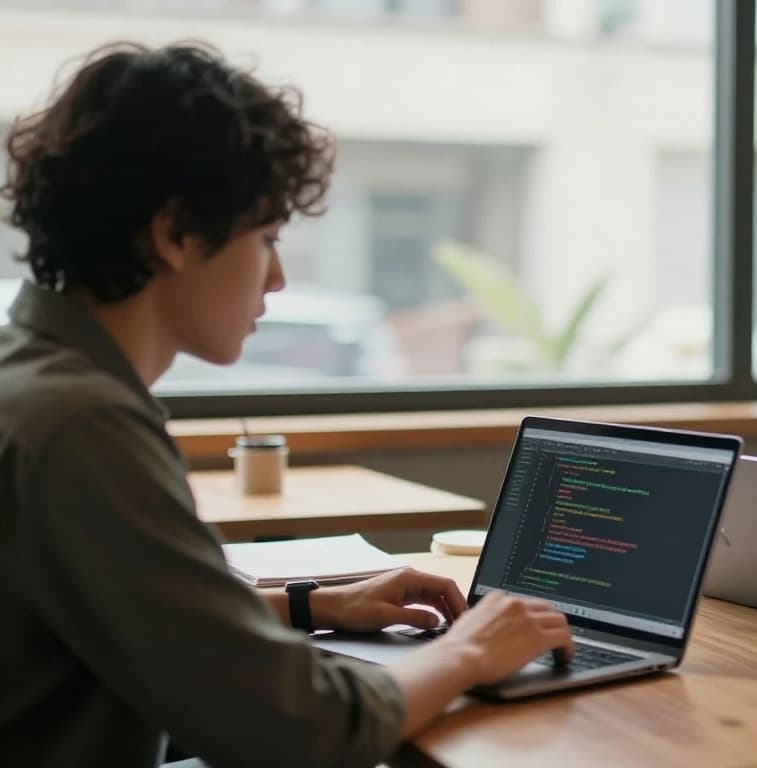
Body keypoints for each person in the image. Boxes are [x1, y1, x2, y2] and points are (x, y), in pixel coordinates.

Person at [0, 42, 573, 767]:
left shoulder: (30, 375)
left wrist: (315, 604)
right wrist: (468, 651)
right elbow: (301, 729)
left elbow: (136, 618)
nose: (276, 279)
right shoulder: (80, 425)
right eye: (266, 237)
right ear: (174, 233)